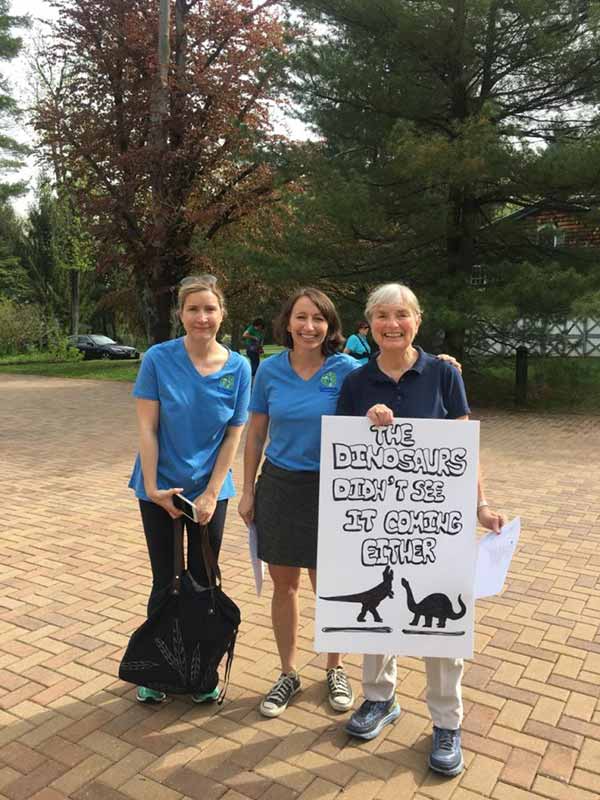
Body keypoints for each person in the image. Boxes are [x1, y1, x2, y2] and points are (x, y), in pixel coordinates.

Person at [336, 282, 505, 777]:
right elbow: (346, 452)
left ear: (417, 320)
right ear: (369, 326)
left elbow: (461, 448)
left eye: (402, 315)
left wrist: (481, 506)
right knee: (378, 611)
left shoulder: (443, 375)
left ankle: (447, 723)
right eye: (382, 316)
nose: (392, 324)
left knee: (442, 626)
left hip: (436, 524)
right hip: (378, 524)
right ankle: (379, 699)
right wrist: (367, 424)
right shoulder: (355, 383)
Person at [129, 274, 251, 704]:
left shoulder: (239, 367)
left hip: (209, 493)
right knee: (165, 580)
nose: (202, 317)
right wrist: (153, 486)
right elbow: (147, 426)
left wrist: (211, 492)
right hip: (159, 489)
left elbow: (234, 434)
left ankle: (200, 673)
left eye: (210, 309)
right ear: (181, 313)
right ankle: (156, 671)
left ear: (222, 313)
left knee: (202, 582)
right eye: (193, 309)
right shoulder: (158, 359)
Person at [238, 288, 360, 718]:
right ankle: (288, 673)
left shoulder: (347, 369)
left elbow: (392, 378)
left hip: (335, 490)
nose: (310, 327)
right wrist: (248, 488)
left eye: (319, 319)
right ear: (287, 323)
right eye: (302, 318)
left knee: (331, 587)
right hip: (281, 487)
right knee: (284, 585)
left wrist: (440, 366)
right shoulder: (269, 371)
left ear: (330, 326)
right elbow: (255, 433)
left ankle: (335, 669)